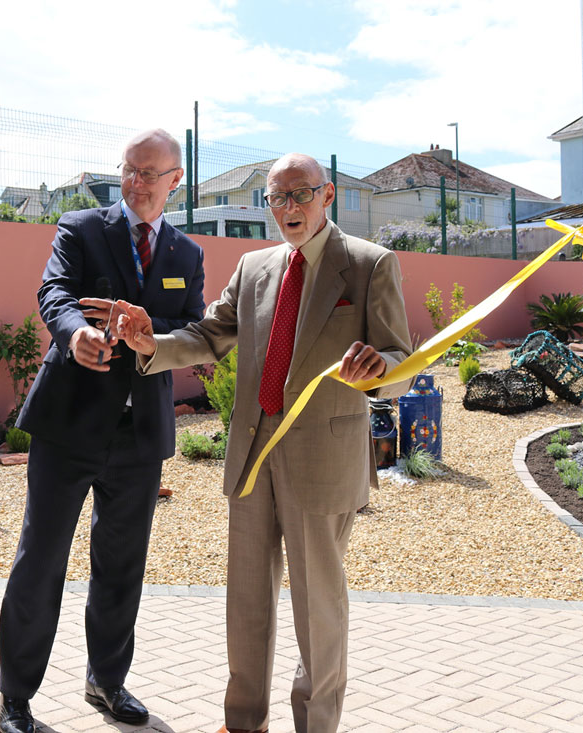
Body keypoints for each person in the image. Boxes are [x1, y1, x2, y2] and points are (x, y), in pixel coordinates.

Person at [115, 153, 412, 733]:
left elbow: (400, 357)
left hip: (323, 458)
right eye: (277, 197)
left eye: (300, 194)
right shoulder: (254, 267)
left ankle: (315, 725)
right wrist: (153, 345)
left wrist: (380, 369)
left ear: (327, 195)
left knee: (317, 608)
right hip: (253, 451)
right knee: (246, 601)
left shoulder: (369, 264)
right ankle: (244, 721)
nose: (288, 207)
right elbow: (210, 334)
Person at [0, 129, 205, 733]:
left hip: (140, 434)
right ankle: (15, 696)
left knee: (121, 566)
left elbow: (191, 326)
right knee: (41, 561)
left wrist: (148, 332)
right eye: (129, 170)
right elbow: (54, 291)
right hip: (69, 426)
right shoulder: (82, 227)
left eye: (149, 173)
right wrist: (74, 333)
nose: (135, 183)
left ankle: (107, 682)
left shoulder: (187, 254)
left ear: (175, 181)